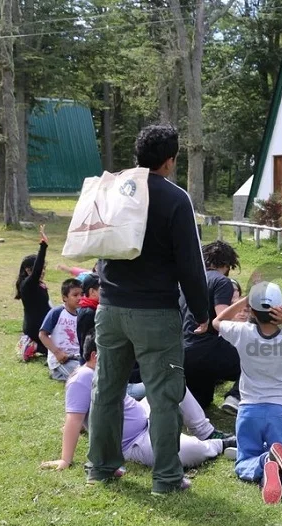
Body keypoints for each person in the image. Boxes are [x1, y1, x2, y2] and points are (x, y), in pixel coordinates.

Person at [87, 124, 210, 496]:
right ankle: (167, 479)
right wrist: (202, 311)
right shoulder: (175, 198)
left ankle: (101, 467)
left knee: (106, 390)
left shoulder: (116, 189)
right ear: (170, 161)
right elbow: (190, 263)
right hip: (154, 312)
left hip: (109, 308)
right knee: (163, 395)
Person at [40, 334, 232, 475]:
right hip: (135, 441)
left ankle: (205, 431)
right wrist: (66, 460)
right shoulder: (82, 378)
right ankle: (218, 444)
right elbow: (73, 420)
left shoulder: (102, 374)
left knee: (172, 382)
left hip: (145, 413)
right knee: (190, 451)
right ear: (95, 356)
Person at [213, 281, 282, 505]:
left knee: (244, 460)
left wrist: (244, 300)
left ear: (252, 311)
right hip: (280, 410)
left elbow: (217, 321)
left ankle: (263, 463)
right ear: (281, 308)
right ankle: (275, 461)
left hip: (249, 409)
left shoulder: (242, 332)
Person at [180, 240, 243, 412]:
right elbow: (223, 321)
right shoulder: (222, 281)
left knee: (203, 401)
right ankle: (234, 397)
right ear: (228, 263)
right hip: (207, 347)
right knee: (255, 360)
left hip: (184, 351)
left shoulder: (188, 280)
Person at [15, 225, 51, 361]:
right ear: (27, 270)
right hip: (36, 327)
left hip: (44, 324)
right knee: (54, 351)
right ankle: (31, 345)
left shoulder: (38, 284)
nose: (42, 271)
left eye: (44, 268)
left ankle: (34, 344)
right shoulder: (27, 285)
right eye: (39, 269)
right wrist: (43, 247)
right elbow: (36, 272)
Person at [38, 278, 83, 382]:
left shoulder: (82, 314)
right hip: (61, 360)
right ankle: (56, 372)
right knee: (82, 377)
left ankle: (61, 375)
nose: (80, 298)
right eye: (75, 295)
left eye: (82, 294)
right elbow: (42, 335)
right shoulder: (57, 312)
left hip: (77, 357)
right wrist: (57, 352)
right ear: (64, 298)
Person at [76, 274, 99, 361]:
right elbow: (85, 343)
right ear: (92, 291)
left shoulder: (92, 308)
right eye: (103, 289)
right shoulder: (89, 313)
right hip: (89, 360)